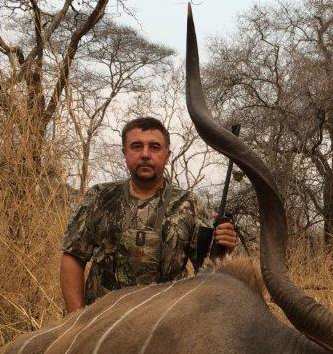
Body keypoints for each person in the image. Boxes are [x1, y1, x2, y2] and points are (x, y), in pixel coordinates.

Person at [60, 116, 237, 313]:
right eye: (136, 146)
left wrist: (224, 248)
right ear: (124, 153)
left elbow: (205, 273)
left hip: (164, 326)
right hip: (103, 327)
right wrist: (77, 321)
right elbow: (73, 257)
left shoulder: (190, 204)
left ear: (167, 155)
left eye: (154, 147)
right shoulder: (100, 196)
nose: (145, 154)